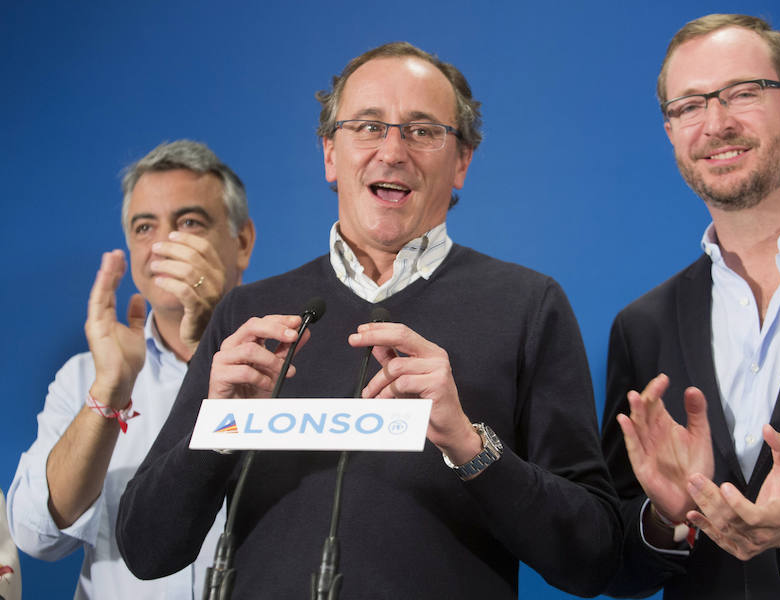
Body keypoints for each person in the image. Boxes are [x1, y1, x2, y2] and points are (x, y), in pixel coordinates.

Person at [115, 42, 622, 599]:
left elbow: (591, 554)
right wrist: (214, 433)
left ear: (462, 162)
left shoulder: (530, 307)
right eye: (368, 127)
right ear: (330, 153)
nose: (393, 150)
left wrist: (470, 447)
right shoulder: (246, 314)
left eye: (423, 130)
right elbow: (146, 550)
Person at [600, 13, 780, 599]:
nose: (716, 123)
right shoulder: (642, 327)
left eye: (742, 93)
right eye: (689, 106)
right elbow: (615, 563)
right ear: (671, 134)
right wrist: (665, 521)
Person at [7, 140, 256, 599]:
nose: (163, 244)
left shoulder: (291, 367)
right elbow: (37, 537)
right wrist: (109, 392)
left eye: (189, 223)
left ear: (241, 242)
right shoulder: (85, 377)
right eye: (145, 227)